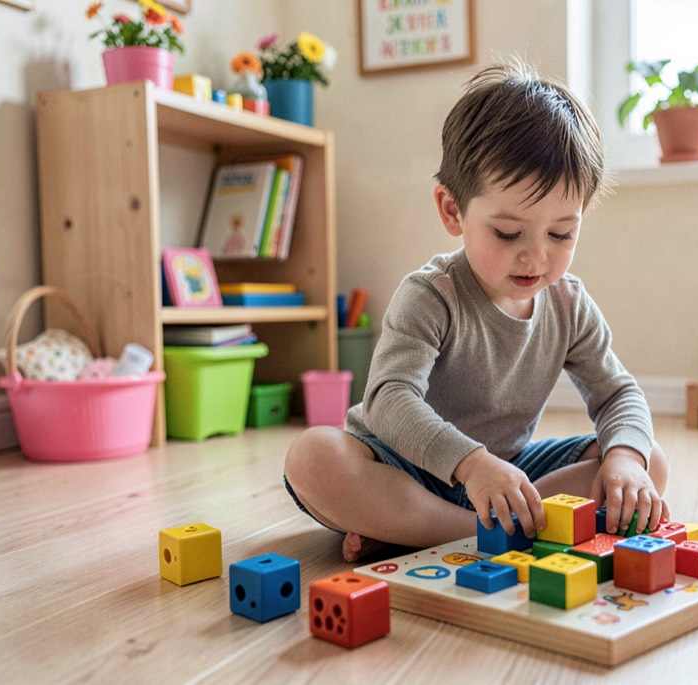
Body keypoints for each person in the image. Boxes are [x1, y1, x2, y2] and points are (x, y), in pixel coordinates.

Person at [284, 62, 669, 562]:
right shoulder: (431, 295)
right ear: (452, 211)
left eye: (561, 234)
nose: (535, 256)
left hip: (508, 476)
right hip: (401, 466)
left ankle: (420, 530)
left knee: (648, 461)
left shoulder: (569, 305)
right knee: (313, 457)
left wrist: (623, 459)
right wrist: (470, 465)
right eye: (508, 233)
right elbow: (389, 400)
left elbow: (618, 393)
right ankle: (467, 530)